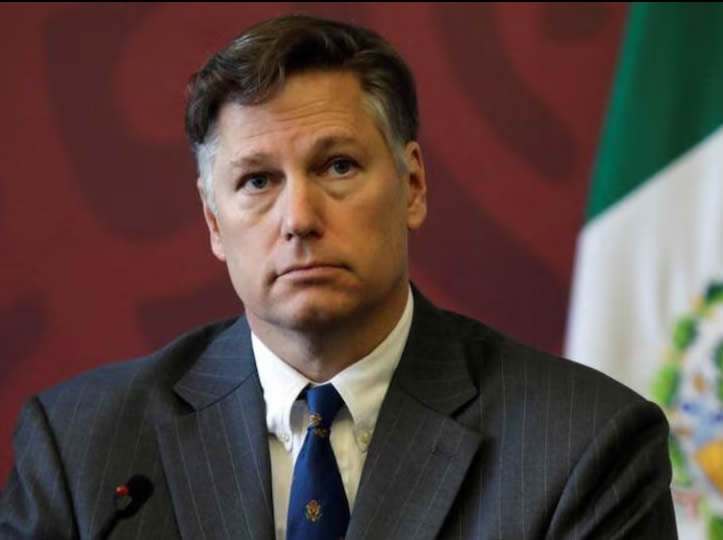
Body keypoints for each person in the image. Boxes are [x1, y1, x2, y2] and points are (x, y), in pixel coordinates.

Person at [0, 14, 676, 540]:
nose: (299, 218)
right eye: (257, 181)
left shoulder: (582, 445)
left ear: (412, 185)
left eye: (338, 167)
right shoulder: (81, 446)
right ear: (213, 222)